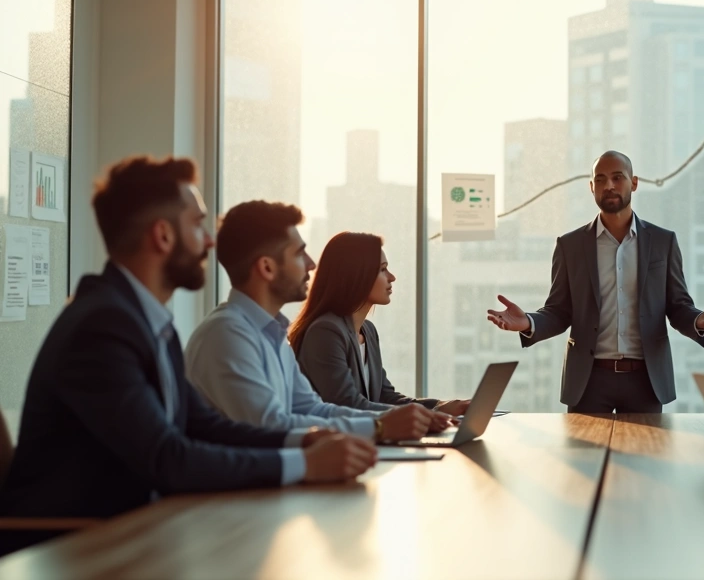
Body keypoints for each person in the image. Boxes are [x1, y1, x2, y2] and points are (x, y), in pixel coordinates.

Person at [0, 156, 376, 533]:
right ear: (162, 235)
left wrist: (307, 441)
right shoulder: (102, 326)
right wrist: (307, 464)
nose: (211, 241)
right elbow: (167, 457)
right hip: (69, 544)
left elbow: (205, 425)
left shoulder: (143, 320)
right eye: (198, 225)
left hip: (131, 530)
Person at [485, 150, 704, 413]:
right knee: (584, 454)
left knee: (645, 452)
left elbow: (677, 306)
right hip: (588, 380)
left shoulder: (663, 242)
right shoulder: (570, 245)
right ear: (591, 187)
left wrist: (698, 321)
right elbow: (559, 311)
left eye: (617, 177)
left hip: (646, 380)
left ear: (633, 183)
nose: (609, 186)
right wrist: (528, 322)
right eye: (600, 180)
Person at [185, 201, 450, 443]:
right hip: (237, 492)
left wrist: (407, 418)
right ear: (267, 268)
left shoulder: (271, 333)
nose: (311, 264)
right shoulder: (227, 335)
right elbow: (270, 426)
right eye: (300, 253)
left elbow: (312, 408)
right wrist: (379, 428)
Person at [289, 232, 470, 414]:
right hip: (337, 439)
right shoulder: (325, 331)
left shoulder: (367, 330)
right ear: (357, 274)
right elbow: (347, 404)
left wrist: (440, 406)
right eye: (382, 269)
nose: (392, 277)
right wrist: (428, 416)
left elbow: (384, 396)